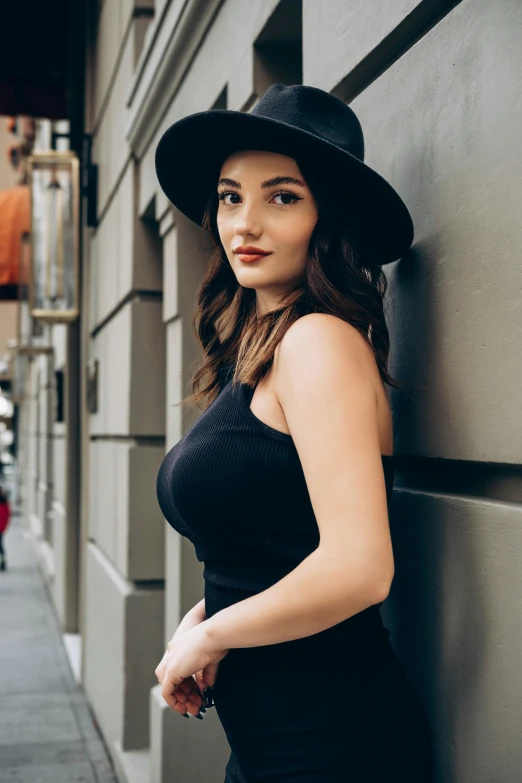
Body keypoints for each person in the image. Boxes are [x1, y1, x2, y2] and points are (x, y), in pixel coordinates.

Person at [153, 84, 434, 781]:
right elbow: (274, 549)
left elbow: (361, 567)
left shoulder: (319, 341)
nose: (244, 222)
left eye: (281, 196)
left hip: (331, 741)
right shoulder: (255, 352)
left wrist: (214, 632)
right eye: (229, 196)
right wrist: (202, 619)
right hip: (266, 743)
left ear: (324, 217)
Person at [0, 486, 11, 571]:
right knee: (1, 546)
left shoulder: (4, 502)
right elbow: (8, 515)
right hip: (2, 528)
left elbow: (7, 515)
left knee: (0, 546)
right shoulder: (5, 502)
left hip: (1, 528)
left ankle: (3, 563)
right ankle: (3, 563)